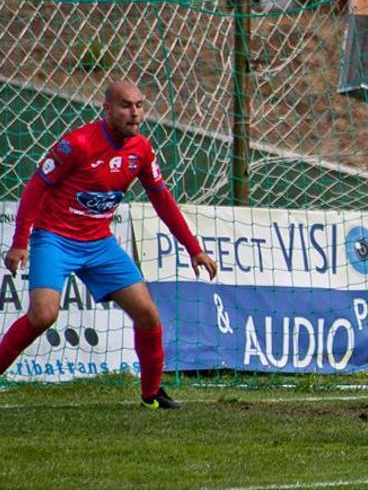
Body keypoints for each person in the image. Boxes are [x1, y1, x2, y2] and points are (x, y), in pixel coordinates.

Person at [1, 81, 218, 409]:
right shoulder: (78, 144)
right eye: (126, 106)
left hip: (99, 243)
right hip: (55, 239)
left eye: (140, 106)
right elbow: (35, 187)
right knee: (43, 314)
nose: (135, 113)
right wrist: (20, 242)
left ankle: (151, 395)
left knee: (148, 315)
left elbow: (162, 198)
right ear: (107, 108)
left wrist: (193, 247)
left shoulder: (141, 149)